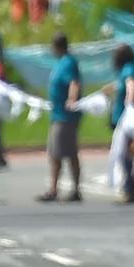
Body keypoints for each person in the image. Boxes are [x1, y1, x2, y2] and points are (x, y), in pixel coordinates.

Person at [38, 32, 83, 203]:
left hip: (65, 116)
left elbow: (73, 82)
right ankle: (54, 188)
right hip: (57, 114)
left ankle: (73, 189)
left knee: (68, 152)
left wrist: (72, 99)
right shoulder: (61, 62)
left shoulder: (68, 63)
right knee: (54, 153)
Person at [110, 43, 134, 205]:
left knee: (125, 154)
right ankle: (131, 184)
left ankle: (130, 187)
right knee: (125, 153)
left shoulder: (129, 69)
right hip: (121, 117)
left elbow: (132, 86)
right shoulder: (125, 69)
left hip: (127, 120)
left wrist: (129, 102)